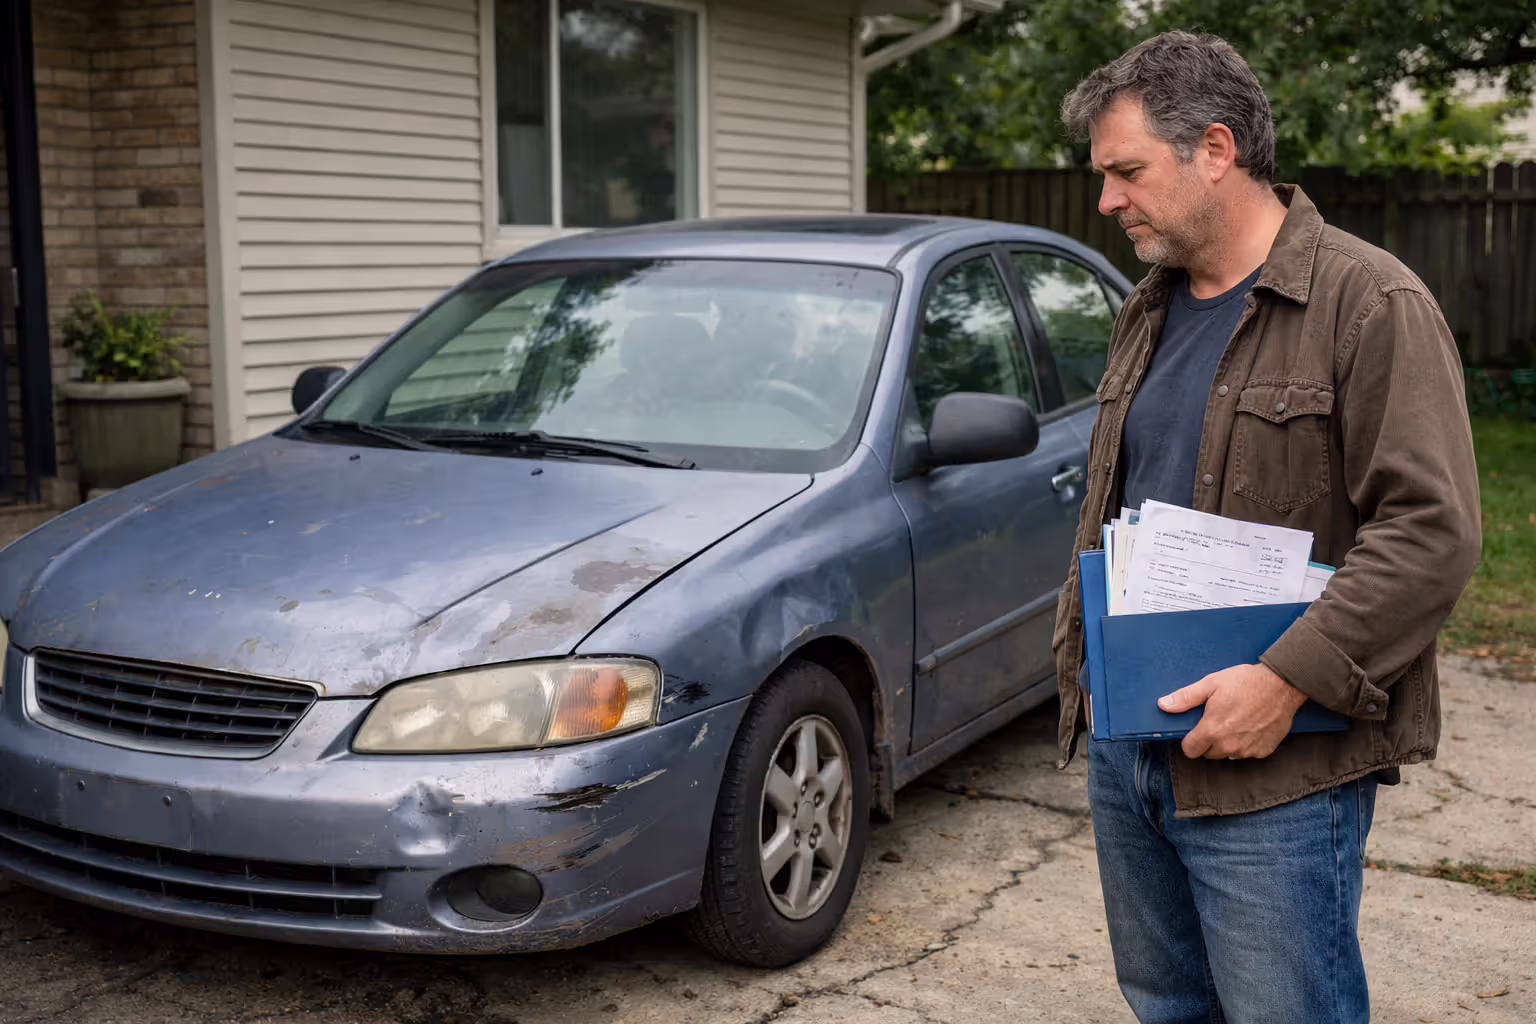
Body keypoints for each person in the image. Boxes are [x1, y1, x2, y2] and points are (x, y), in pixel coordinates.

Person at [1049, 31, 1481, 1024]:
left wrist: (1284, 681)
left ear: (1214, 148)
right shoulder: (1148, 308)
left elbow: (1432, 532)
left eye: (1125, 171)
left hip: (1276, 772)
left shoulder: (1370, 303)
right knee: (1167, 1006)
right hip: (1133, 746)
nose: (1107, 200)